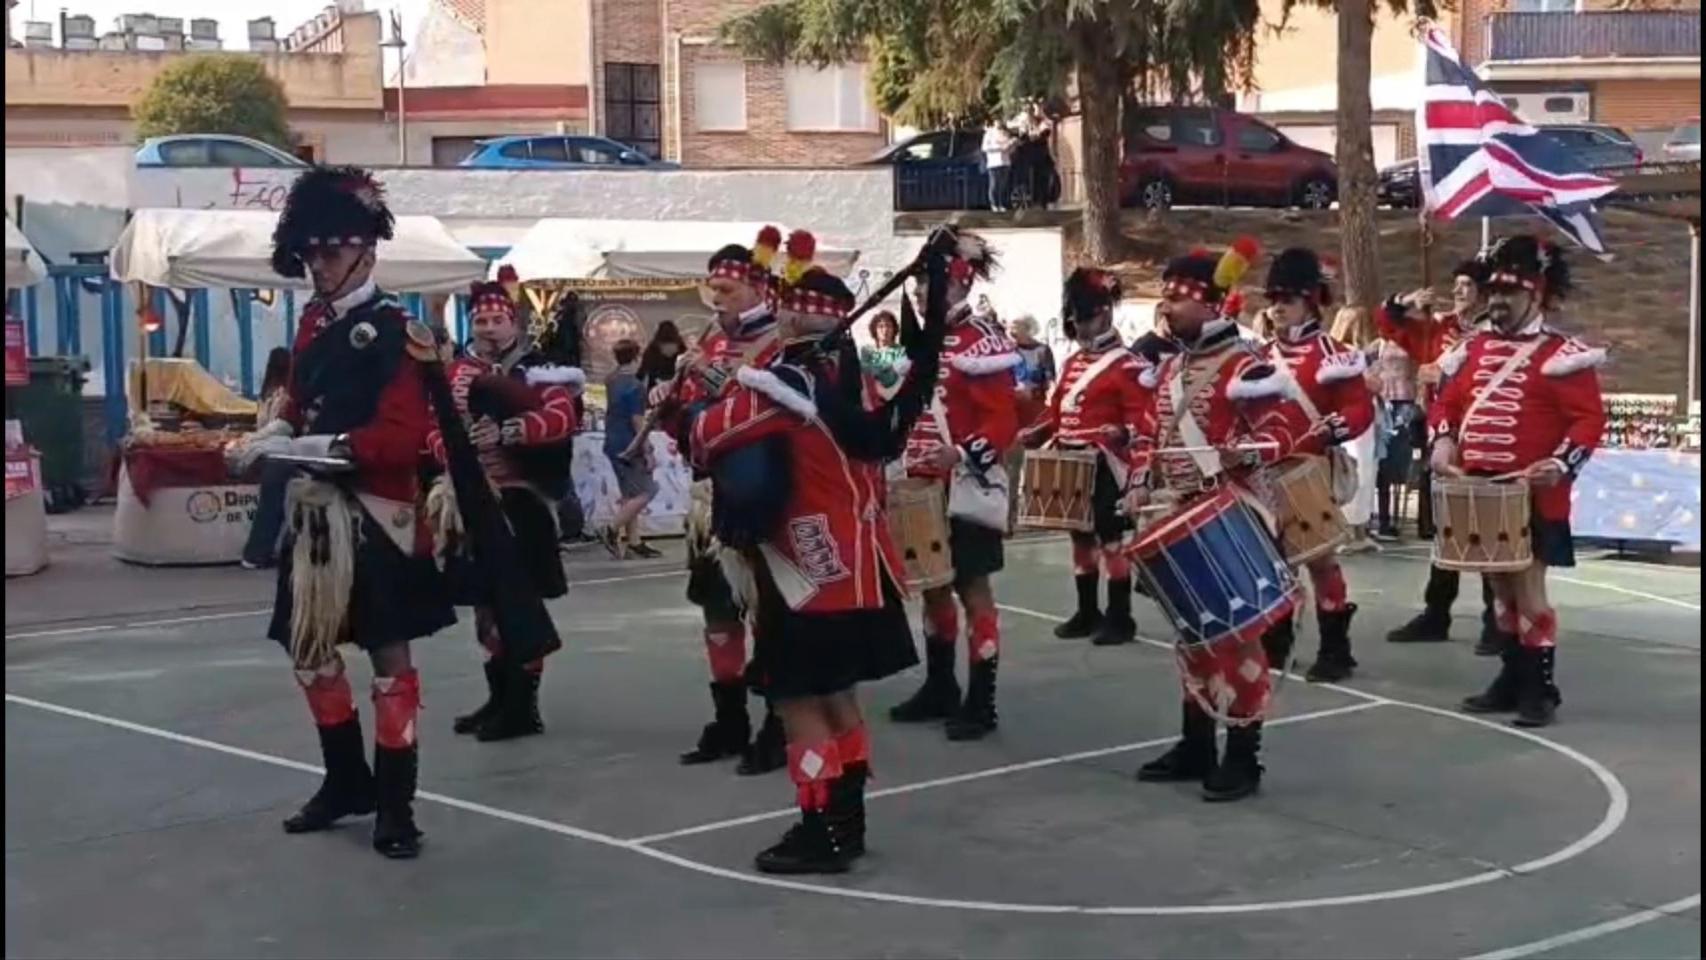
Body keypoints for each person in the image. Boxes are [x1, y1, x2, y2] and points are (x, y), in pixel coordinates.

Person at [688, 238, 945, 875]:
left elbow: (706, 437)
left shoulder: (784, 386)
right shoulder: (847, 382)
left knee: (797, 703)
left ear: (796, 317)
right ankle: (846, 825)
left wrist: (716, 391)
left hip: (806, 571)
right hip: (858, 564)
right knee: (837, 699)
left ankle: (818, 829)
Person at [231, 165, 455, 859]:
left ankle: (396, 805)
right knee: (309, 648)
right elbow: (301, 400)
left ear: (367, 252)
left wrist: (313, 445)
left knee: (389, 656)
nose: (319, 266)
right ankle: (345, 781)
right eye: (311, 254)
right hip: (314, 515)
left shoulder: (398, 331)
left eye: (332, 252)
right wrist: (274, 429)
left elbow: (403, 437)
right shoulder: (312, 323)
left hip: (376, 513)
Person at [1122, 244, 1308, 802]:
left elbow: (1288, 428)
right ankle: (1197, 744)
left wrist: (1246, 450)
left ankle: (1244, 756)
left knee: (1239, 639)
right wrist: (1139, 481)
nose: (1166, 307)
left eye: (1177, 298)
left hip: (1233, 514)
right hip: (1180, 511)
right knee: (1194, 637)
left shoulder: (1246, 364)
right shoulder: (1172, 367)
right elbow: (1148, 434)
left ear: (1209, 303)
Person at [1430, 235, 1605, 728]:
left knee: (1528, 592)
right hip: (1481, 490)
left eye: (1510, 292)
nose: (1499, 301)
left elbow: (1589, 420)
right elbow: (1446, 405)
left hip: (1533, 494)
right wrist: (1442, 441)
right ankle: (1511, 676)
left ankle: (1540, 688)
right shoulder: (1472, 349)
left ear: (1537, 294)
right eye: (1494, 292)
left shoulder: (1561, 354)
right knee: (1499, 591)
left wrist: (1561, 462)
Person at [650, 226, 789, 776]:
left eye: (727, 291)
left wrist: (707, 380)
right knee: (717, 613)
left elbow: (763, 408)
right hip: (710, 496)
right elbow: (691, 422)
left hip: (762, 497)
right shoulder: (710, 341)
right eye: (713, 291)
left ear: (756, 287)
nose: (718, 301)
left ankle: (778, 723)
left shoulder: (778, 341)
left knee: (768, 612)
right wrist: (669, 406)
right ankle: (729, 720)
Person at [425, 280, 580, 742]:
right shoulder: (456, 372)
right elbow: (431, 427)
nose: (489, 328)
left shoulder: (540, 369)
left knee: (520, 604)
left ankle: (522, 706)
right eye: (481, 320)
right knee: (485, 606)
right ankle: (499, 697)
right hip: (470, 498)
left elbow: (563, 418)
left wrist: (510, 431)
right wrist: (454, 449)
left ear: (514, 322)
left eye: (497, 320)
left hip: (521, 499)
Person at [887, 231, 1018, 742]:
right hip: (923, 486)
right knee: (933, 587)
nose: (919, 293)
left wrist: (962, 452)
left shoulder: (980, 340)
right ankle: (940, 685)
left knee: (973, 590)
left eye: (928, 284)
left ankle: (982, 700)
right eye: (918, 284)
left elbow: (1002, 420)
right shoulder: (925, 340)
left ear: (957, 283)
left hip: (965, 485)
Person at [1254, 251, 1376, 682]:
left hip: (1308, 470)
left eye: (1287, 299)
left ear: (1309, 301)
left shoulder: (1335, 355)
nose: (1277, 308)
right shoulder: (1258, 356)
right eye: (1273, 299)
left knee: (1320, 562)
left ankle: (1335, 649)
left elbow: (1359, 408)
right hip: (1262, 474)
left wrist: (1334, 427)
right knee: (1272, 563)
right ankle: (1277, 639)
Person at [1019, 268, 1152, 647]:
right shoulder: (1073, 362)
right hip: (1070, 459)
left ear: (1105, 314)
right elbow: (1058, 411)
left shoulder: (1128, 365)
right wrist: (1038, 431)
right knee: (1079, 539)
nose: (1079, 327)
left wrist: (1121, 433)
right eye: (1075, 320)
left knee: (1112, 541)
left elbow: (1142, 422)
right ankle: (1087, 610)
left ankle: (1120, 616)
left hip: (1105, 464)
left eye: (1085, 318)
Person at [1381, 258, 1507, 654]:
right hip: (1442, 435)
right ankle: (1437, 613)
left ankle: (1495, 621)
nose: (1458, 291)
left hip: (1482, 436)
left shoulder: (1496, 332)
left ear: (1484, 292)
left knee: (1486, 528)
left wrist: (1447, 376)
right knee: (1445, 529)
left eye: (1467, 285)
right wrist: (1405, 302)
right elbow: (1390, 326)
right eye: (1457, 284)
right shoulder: (1440, 327)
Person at [602, 338, 661, 559]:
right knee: (648, 491)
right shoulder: (636, 386)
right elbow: (638, 421)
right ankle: (611, 528)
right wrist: (647, 450)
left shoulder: (611, 380)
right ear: (637, 357)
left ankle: (634, 542)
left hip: (612, 440)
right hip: (630, 444)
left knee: (630, 494)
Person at [240, 347, 295, 570]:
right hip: (280, 451)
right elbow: (284, 425)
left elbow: (264, 424)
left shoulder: (265, 394)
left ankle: (256, 553)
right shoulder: (286, 393)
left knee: (270, 502)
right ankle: (260, 553)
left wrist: (252, 438)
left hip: (266, 451)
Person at [859, 310, 909, 398]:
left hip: (894, 395)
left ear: (894, 329)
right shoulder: (867, 351)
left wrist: (875, 371)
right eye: (880, 326)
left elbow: (890, 379)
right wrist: (886, 368)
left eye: (888, 326)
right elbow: (864, 372)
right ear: (874, 329)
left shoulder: (902, 351)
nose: (885, 330)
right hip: (871, 397)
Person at [638, 320, 687, 395]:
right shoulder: (681, 349)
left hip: (655, 389)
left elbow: (643, 369)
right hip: (676, 388)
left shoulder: (652, 349)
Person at [981, 121, 1014, 212]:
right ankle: (994, 204)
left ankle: (1002, 203)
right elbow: (984, 148)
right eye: (997, 121)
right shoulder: (989, 133)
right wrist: (999, 148)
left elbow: (1009, 149)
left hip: (1005, 162)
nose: (999, 123)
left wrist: (1011, 146)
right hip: (994, 162)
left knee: (1003, 185)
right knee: (995, 184)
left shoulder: (1005, 133)